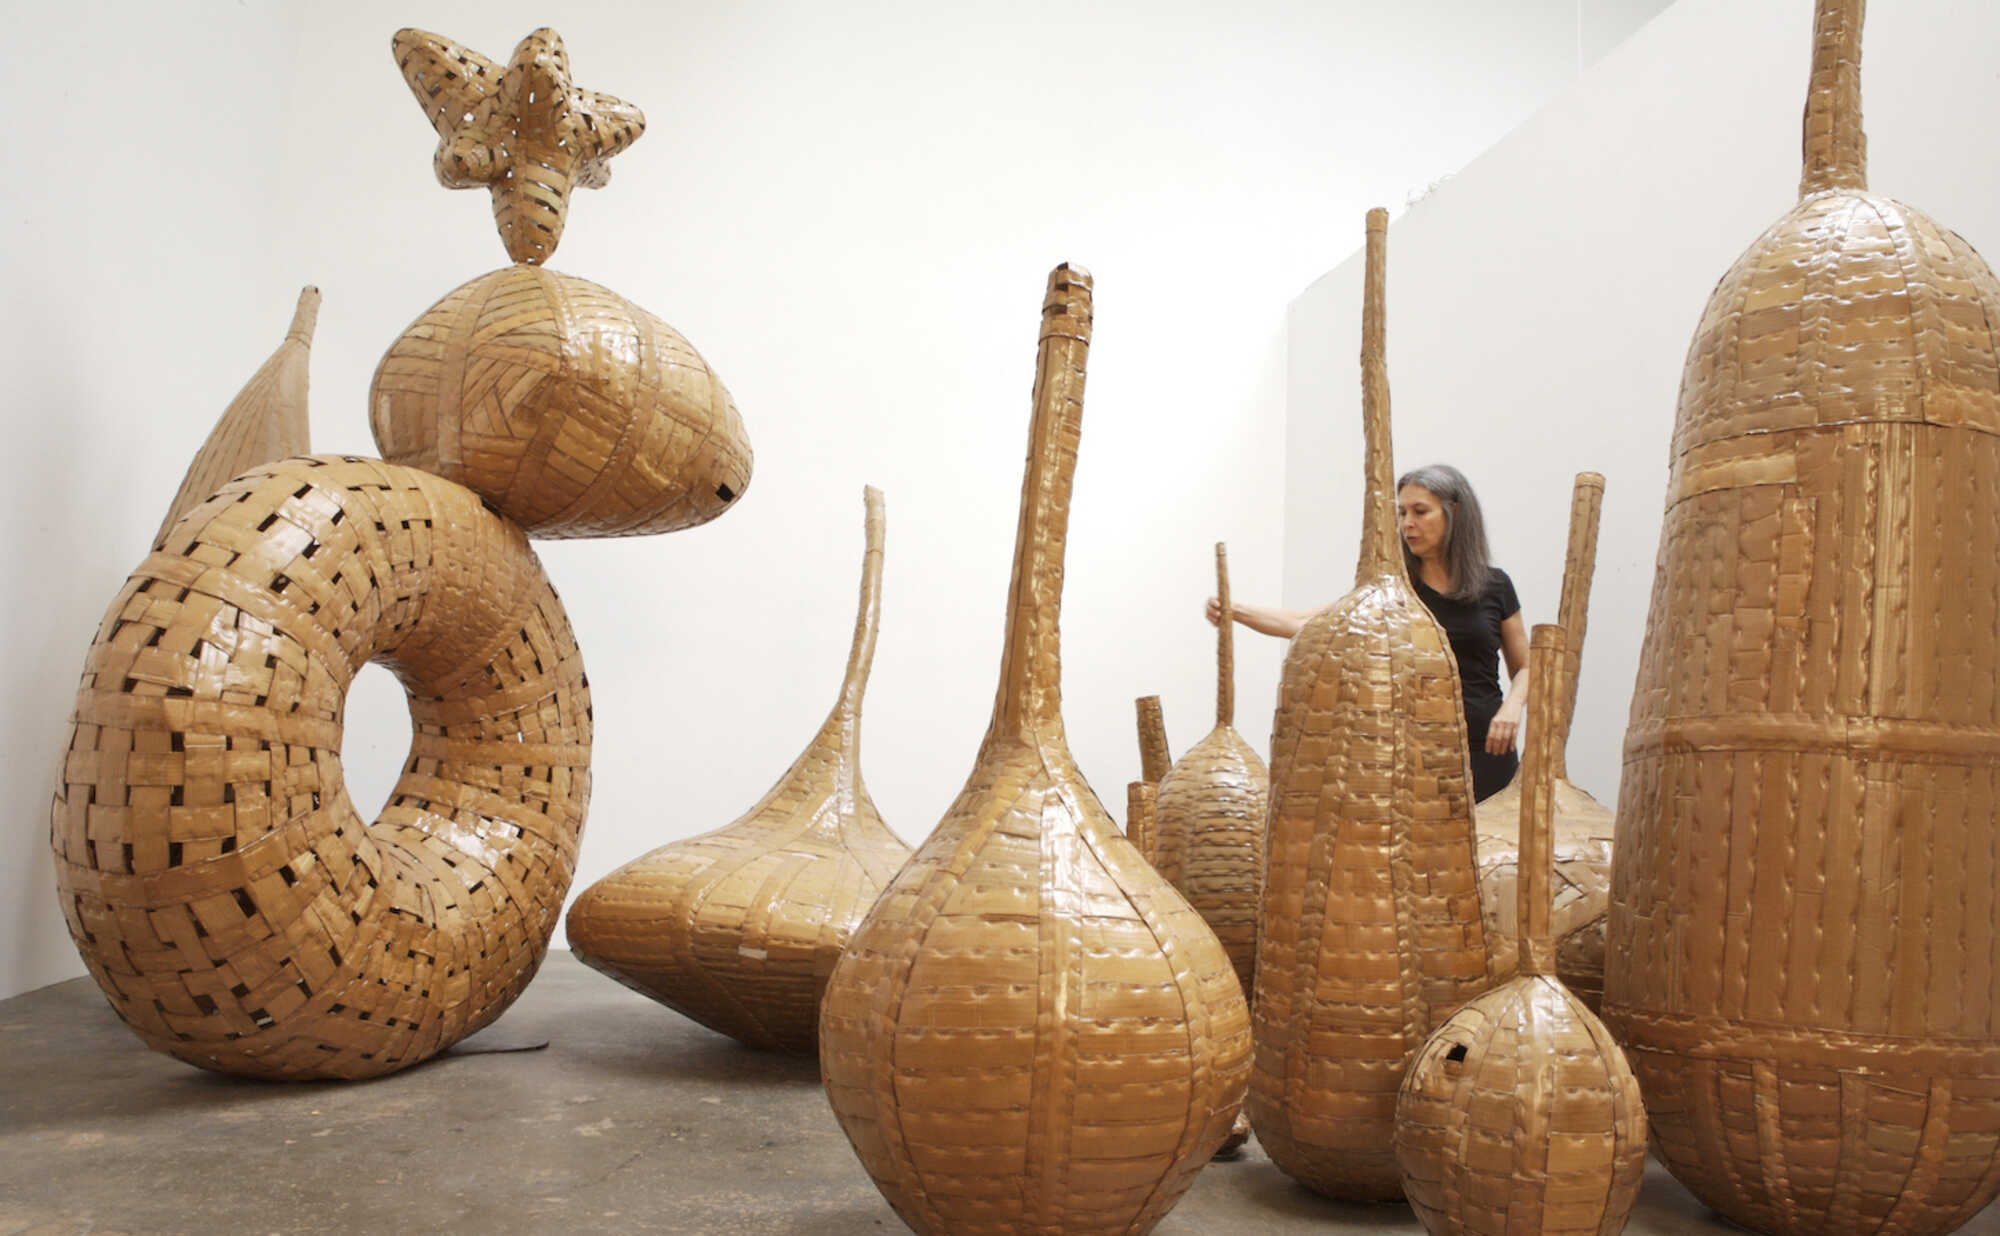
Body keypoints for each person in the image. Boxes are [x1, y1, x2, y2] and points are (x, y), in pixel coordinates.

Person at [1207, 463, 1529, 801]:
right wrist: (1234, 610)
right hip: (1417, 756)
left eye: (1420, 511)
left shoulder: (1496, 586)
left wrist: (1512, 708)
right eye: (1402, 513)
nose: (1407, 523)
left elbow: (1525, 665)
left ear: (1455, 512)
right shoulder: (1390, 590)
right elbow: (1302, 623)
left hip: (1490, 748)